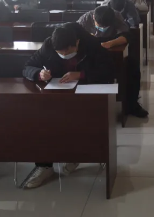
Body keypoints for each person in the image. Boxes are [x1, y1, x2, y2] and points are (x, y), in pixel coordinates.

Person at [22, 24, 116, 189]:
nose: (64, 55)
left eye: (68, 51)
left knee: (79, 122)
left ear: (77, 42)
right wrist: (39, 73)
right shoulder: (49, 45)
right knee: (41, 121)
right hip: (58, 94)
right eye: (61, 53)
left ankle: (74, 154)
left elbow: (109, 70)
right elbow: (27, 66)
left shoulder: (92, 45)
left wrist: (81, 74)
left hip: (86, 94)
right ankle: (44, 166)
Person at [78, 6, 148, 117]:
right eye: (99, 26)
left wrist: (110, 43)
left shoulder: (116, 16)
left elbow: (126, 35)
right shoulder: (84, 20)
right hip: (90, 53)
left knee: (132, 66)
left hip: (113, 48)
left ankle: (132, 105)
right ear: (93, 17)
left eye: (105, 27)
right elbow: (74, 38)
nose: (102, 29)